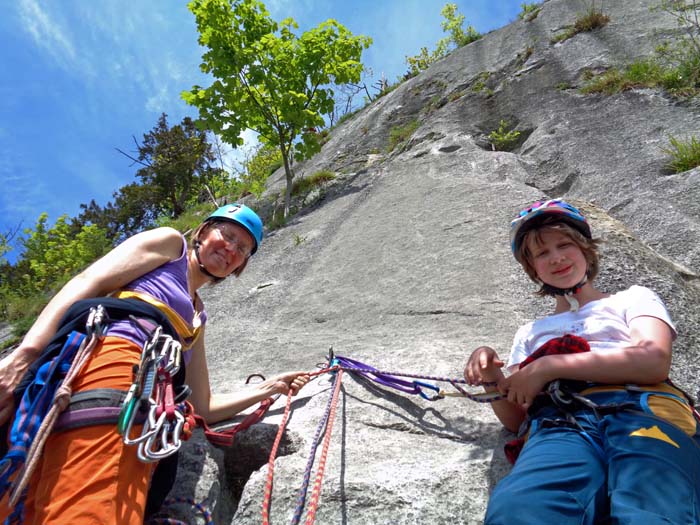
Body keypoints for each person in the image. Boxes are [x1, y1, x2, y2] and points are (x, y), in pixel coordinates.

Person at [0, 203, 310, 524]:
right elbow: (87, 281)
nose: (231, 248)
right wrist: (23, 356)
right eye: (227, 234)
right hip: (115, 364)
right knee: (91, 505)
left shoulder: (196, 319)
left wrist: (270, 388)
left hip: (149, 408)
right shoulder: (170, 246)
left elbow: (203, 406)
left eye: (243, 248)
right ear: (203, 232)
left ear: (240, 265)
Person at [464, 199, 700, 525]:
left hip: (642, 409)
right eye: (542, 253)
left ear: (586, 250)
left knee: (653, 508)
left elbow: (652, 361)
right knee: (518, 510)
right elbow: (516, 416)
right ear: (532, 269)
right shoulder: (531, 332)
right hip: (560, 423)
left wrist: (551, 366)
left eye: (565, 245)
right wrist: (493, 378)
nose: (556, 257)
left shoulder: (633, 298)